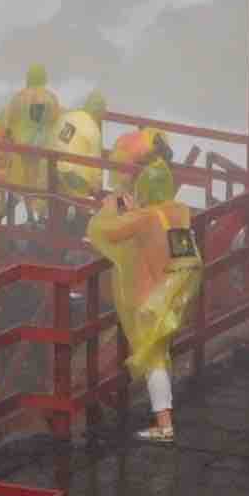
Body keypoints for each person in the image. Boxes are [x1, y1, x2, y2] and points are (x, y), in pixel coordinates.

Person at [85, 152, 205, 441]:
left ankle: (164, 425)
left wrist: (111, 208)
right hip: (174, 294)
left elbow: (105, 232)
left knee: (154, 361)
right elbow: (161, 234)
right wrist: (134, 210)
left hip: (151, 299)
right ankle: (165, 419)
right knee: (159, 356)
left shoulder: (145, 218)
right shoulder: (179, 211)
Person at [0, 66, 64, 226]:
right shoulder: (52, 99)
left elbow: (4, 124)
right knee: (42, 188)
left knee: (21, 186)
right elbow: (59, 122)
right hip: (44, 154)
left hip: (21, 153)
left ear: (28, 78)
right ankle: (41, 219)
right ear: (44, 78)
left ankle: (29, 217)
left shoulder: (18, 99)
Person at [56, 90, 113, 208]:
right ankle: (81, 213)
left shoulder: (70, 117)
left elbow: (60, 142)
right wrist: (97, 186)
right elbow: (95, 162)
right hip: (76, 178)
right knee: (88, 201)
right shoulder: (93, 129)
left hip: (57, 168)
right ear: (98, 112)